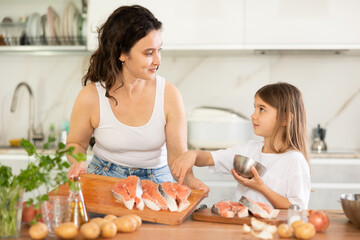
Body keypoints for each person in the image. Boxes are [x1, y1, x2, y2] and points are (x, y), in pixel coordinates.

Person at [66, 5, 208, 192]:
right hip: (103, 177)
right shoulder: (91, 96)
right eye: (149, 53)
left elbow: (177, 156)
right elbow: (76, 143)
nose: (158, 60)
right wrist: (78, 162)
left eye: (159, 50)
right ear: (122, 54)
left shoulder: (169, 95)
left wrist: (190, 181)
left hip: (156, 179)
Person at [172, 82, 311, 209]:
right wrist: (193, 155)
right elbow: (210, 158)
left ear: (285, 119)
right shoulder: (248, 150)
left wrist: (261, 187)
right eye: (255, 108)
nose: (253, 115)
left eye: (262, 109)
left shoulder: (294, 160)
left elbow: (297, 208)